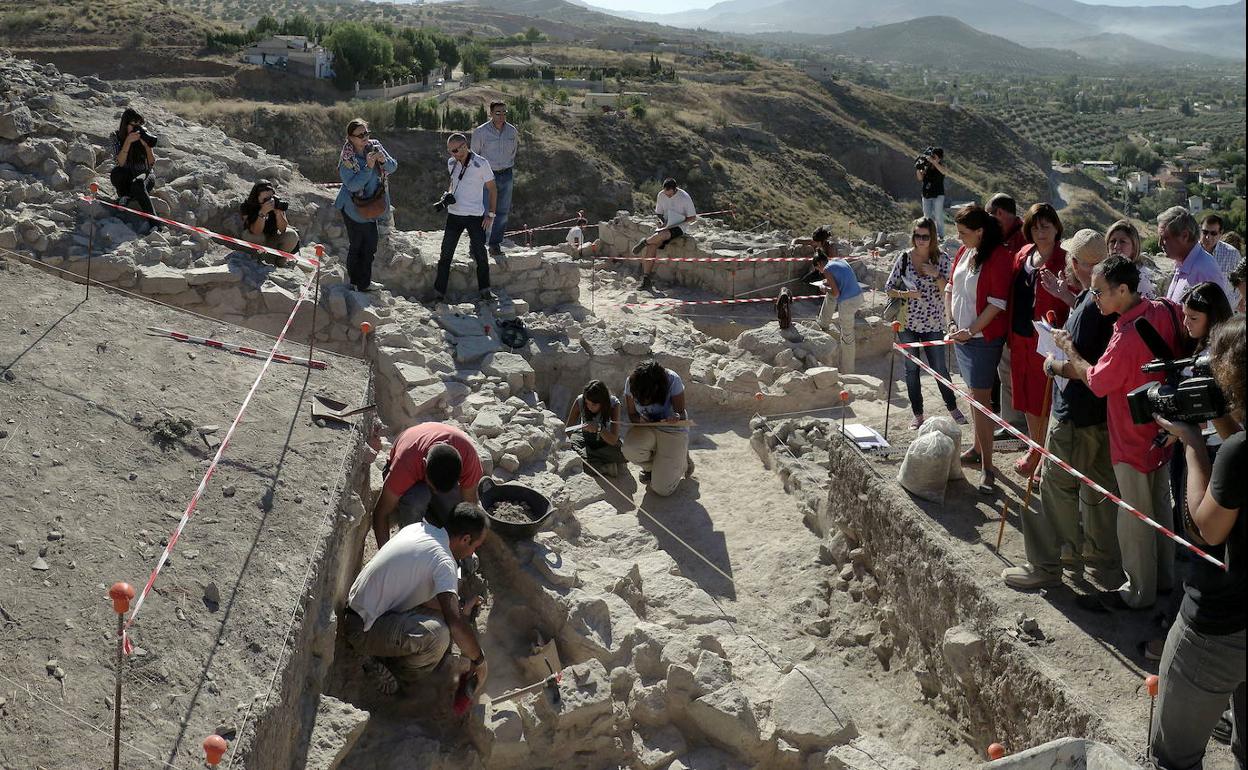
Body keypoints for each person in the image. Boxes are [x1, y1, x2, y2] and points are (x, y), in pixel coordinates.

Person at [1053, 256, 1184, 611]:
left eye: (1098, 292)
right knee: (1159, 506)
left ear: (1122, 290)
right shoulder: (1165, 309)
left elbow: (1097, 381)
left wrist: (1067, 350)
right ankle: (1164, 578)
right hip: (1162, 429)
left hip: (1131, 436)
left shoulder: (1126, 336)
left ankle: (1138, 591)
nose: (1093, 298)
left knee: (1135, 516)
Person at [1149, 316, 1245, 770]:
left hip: (1220, 627)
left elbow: (1207, 529)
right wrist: (1223, 422)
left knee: (1174, 757)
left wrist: (1191, 444)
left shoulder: (1236, 453)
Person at [1002, 230, 1121, 590]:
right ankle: (1100, 557)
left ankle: (1048, 563)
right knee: (1098, 489)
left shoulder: (1089, 308)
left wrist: (1054, 364)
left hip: (1074, 414)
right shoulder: (1101, 300)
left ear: (1077, 264)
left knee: (1056, 488)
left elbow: (1081, 364)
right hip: (1100, 415)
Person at [344, 504, 490, 694]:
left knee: (441, 618)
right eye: (475, 547)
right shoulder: (444, 561)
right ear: (465, 539)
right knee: (439, 636)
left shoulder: (420, 529)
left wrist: (461, 606)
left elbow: (426, 599)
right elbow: (455, 623)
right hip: (362, 629)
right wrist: (479, 660)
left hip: (360, 608)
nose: (472, 553)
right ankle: (396, 674)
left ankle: (390, 653)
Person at [944, 204, 1014, 495]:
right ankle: (976, 448)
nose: (959, 238)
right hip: (961, 337)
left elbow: (997, 303)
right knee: (974, 398)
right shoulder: (965, 252)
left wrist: (970, 330)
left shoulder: (998, 257)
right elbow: (950, 286)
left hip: (981, 340)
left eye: (963, 233)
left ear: (980, 232)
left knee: (981, 401)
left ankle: (988, 468)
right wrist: (950, 322)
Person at [1007, 203, 1071, 480]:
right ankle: (1036, 449)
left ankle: (1047, 457)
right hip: (1020, 335)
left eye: (1046, 226)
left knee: (1043, 398)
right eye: (1034, 226)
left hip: (1046, 342)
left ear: (1057, 228)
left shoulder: (1066, 261)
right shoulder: (1023, 254)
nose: (1040, 231)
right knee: (1025, 397)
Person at [883, 216, 965, 429]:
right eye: (917, 236)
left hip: (934, 323)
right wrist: (906, 293)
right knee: (911, 370)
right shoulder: (903, 258)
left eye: (925, 237)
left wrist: (936, 274)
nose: (920, 240)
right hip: (907, 323)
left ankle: (953, 408)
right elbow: (888, 287)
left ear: (933, 238)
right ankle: (917, 415)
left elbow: (949, 290)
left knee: (939, 367)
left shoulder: (943, 259)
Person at [370, 422, 484, 548]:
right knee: (417, 499)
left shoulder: (468, 455)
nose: (435, 492)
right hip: (412, 478)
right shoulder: (405, 463)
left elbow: (470, 506)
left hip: (429, 462)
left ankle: (439, 523)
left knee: (458, 511)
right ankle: (411, 543)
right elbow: (381, 513)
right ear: (424, 465)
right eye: (433, 488)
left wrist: (469, 546)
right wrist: (387, 557)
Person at [335, 118, 398, 292]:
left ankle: (365, 282)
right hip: (353, 207)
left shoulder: (375, 146)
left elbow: (393, 167)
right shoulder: (347, 159)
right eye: (360, 135)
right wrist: (368, 167)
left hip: (371, 205)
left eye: (366, 133)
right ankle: (356, 283)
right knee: (357, 245)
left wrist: (383, 160)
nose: (365, 137)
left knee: (370, 245)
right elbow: (353, 185)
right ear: (350, 138)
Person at [435, 132, 498, 303]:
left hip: (475, 216)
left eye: (455, 150)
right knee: (445, 254)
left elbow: (492, 189)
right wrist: (448, 194)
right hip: (454, 215)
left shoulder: (481, 163)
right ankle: (438, 293)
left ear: (464, 146)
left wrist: (491, 214)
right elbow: (454, 183)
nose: (452, 154)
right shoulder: (451, 162)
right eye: (450, 151)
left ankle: (485, 290)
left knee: (480, 254)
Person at [986, 193, 1027, 434]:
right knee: (1005, 372)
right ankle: (1010, 422)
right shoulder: (1005, 237)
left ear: (999, 213)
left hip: (1018, 319)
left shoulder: (1022, 238)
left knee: (1014, 373)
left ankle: (1017, 425)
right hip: (1004, 318)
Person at [621, 360, 693, 496]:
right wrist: (640, 421)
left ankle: (683, 461)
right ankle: (655, 468)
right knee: (630, 450)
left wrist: (675, 417)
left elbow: (681, 414)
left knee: (662, 490)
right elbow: (632, 414)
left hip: (672, 429)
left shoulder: (672, 379)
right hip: (648, 426)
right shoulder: (632, 382)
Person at [631, 178, 697, 292]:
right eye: (666, 194)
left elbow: (692, 217)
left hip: (679, 226)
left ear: (675, 189)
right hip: (666, 224)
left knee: (663, 235)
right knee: (652, 246)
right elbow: (659, 212)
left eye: (670, 195)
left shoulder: (684, 197)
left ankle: (645, 242)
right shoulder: (661, 195)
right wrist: (662, 222)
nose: (668, 196)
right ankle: (646, 279)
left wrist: (678, 220)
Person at [471, 101, 518, 257]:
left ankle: (495, 244)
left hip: (506, 174)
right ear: (490, 113)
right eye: (498, 112)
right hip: (487, 176)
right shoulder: (481, 132)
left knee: (502, 212)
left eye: (504, 112)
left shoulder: (512, 131)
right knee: (483, 211)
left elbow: (513, 152)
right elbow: (474, 156)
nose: (501, 115)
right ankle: (477, 244)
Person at [811, 237, 865, 374]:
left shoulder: (827, 270)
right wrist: (827, 282)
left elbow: (835, 293)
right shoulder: (839, 261)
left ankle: (848, 370)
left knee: (847, 337)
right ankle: (823, 322)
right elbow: (841, 278)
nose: (819, 272)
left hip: (848, 302)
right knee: (830, 297)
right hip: (858, 296)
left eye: (818, 269)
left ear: (819, 264)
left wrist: (825, 288)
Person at [1158, 206, 1231, 304]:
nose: (1160, 243)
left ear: (1185, 236)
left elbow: (1216, 317)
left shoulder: (1205, 271)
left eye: (1165, 238)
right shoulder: (1182, 264)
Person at [109, 107, 159, 230]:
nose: (137, 128)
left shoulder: (144, 135)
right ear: (125, 125)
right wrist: (127, 142)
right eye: (133, 125)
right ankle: (127, 196)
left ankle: (155, 223)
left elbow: (152, 163)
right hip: (127, 173)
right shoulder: (116, 136)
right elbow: (119, 162)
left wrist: (147, 147)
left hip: (144, 174)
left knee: (138, 184)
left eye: (139, 124)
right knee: (116, 173)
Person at [565, 380, 627, 476]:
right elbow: (567, 431)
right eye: (587, 403)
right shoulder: (580, 401)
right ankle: (604, 467)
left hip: (606, 442)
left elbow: (613, 440)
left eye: (594, 404)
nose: (589, 407)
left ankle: (591, 460)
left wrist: (599, 429)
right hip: (585, 437)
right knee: (569, 446)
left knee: (623, 454)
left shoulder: (613, 404)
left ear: (603, 402)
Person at [238, 181, 299, 265]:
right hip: (254, 239)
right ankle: (255, 258)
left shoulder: (276, 203)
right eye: (265, 199)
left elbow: (283, 229)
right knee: (258, 237)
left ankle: (279, 260)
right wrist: (262, 213)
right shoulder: (247, 206)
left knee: (292, 235)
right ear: (256, 197)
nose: (268, 201)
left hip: (272, 237)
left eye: (270, 198)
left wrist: (278, 213)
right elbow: (256, 231)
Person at [1105, 219, 1156, 298]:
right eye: (1112, 241)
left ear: (1134, 248)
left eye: (1122, 241)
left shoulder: (1140, 279)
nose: (1116, 246)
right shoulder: (1104, 273)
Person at [1200, 213, 1242, 306]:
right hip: (1196, 309)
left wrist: (1232, 304)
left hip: (1223, 310)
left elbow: (1240, 282)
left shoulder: (1232, 254)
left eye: (1213, 233)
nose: (1208, 237)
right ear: (1200, 230)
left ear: (1220, 233)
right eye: (1205, 232)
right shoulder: (1191, 252)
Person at [915, 147, 947, 240]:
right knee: (927, 217)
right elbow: (920, 178)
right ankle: (929, 235)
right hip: (926, 194)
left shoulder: (940, 165)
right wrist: (918, 168)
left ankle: (941, 236)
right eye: (931, 155)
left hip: (938, 194)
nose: (932, 157)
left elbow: (944, 171)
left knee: (938, 215)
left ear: (939, 158)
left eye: (934, 156)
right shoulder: (926, 165)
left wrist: (934, 162)